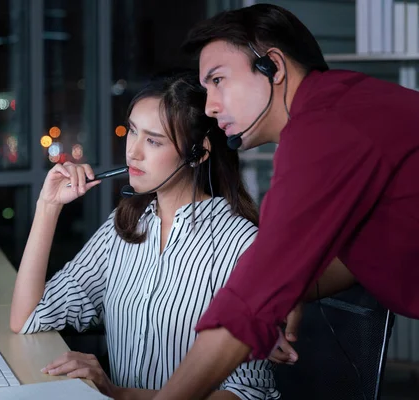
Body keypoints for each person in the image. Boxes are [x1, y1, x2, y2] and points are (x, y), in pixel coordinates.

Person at [153, 4, 419, 399]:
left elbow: (249, 303)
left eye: (219, 80)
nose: (209, 106)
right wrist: (290, 287)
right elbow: (367, 248)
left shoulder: (325, 131)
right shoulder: (342, 104)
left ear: (272, 67)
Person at [10, 70, 283, 399]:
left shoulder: (240, 244)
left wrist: (119, 394)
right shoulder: (126, 225)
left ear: (198, 153)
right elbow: (28, 318)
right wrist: (48, 206)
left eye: (153, 141)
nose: (133, 153)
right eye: (132, 132)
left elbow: (247, 393)